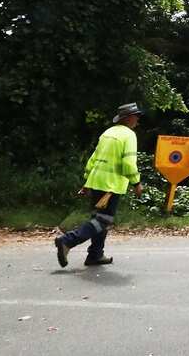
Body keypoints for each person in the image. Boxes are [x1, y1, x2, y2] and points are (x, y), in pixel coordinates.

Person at [54, 103, 144, 267]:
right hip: (111, 186)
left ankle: (95, 254)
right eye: (136, 116)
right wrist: (136, 182)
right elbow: (128, 163)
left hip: (97, 182)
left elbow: (93, 160)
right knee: (103, 220)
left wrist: (87, 182)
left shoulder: (107, 133)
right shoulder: (129, 135)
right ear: (129, 118)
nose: (138, 120)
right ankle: (67, 241)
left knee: (98, 219)